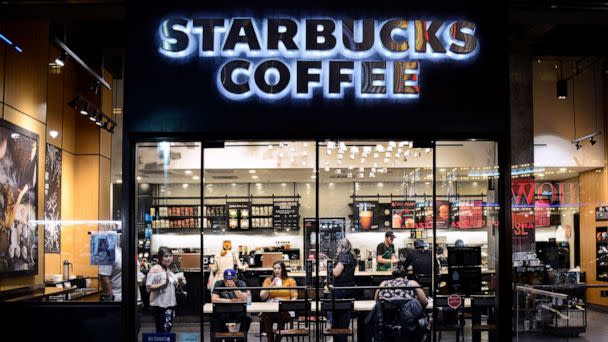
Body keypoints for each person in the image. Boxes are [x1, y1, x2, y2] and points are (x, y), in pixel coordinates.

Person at [146, 247, 186, 333]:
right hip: (159, 305)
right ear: (160, 258)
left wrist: (181, 282)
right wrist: (162, 284)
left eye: (170, 256)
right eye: (166, 256)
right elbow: (148, 288)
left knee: (167, 331)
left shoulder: (168, 269)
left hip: (169, 304)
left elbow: (174, 287)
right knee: (162, 331)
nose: (169, 258)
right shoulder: (156, 269)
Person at [259, 261, 298, 342]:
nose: (276, 270)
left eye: (279, 268)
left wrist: (287, 304)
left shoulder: (290, 280)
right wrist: (272, 284)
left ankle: (277, 340)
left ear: (283, 269)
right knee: (266, 315)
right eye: (275, 268)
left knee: (282, 314)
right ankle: (270, 340)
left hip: (284, 308)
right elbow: (262, 297)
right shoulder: (268, 280)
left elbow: (294, 297)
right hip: (271, 308)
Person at [329, 239, 357, 342]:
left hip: (341, 289)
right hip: (349, 288)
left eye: (338, 247)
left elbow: (336, 273)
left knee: (337, 316)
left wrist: (328, 268)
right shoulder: (352, 256)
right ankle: (340, 338)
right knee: (344, 316)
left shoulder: (344, 257)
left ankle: (339, 338)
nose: (337, 249)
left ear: (342, 247)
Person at [211, 269, 252, 335]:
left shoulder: (240, 283)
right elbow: (214, 299)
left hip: (238, 312)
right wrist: (230, 300)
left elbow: (247, 299)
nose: (228, 281)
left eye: (231, 279)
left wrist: (234, 288)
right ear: (223, 278)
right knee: (215, 318)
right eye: (226, 279)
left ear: (235, 279)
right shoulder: (219, 283)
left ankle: (241, 338)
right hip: (223, 311)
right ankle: (226, 336)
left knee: (247, 319)